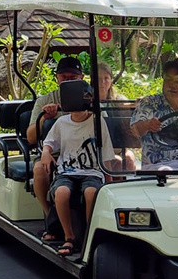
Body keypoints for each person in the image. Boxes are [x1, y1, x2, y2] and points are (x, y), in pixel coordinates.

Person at [37, 83, 124, 250]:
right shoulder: (62, 122)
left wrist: (109, 181)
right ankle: (69, 236)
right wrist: (46, 153)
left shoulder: (97, 122)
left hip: (92, 171)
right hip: (67, 172)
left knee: (91, 192)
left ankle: (89, 235)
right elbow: (49, 143)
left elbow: (106, 154)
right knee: (62, 192)